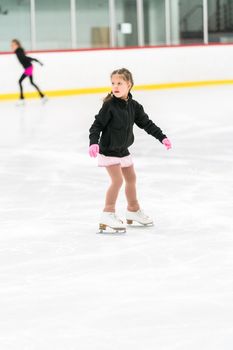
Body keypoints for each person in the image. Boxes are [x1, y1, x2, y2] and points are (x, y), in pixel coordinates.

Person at [89, 68, 171, 232]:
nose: (115, 86)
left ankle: (133, 210)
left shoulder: (134, 106)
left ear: (129, 85)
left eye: (119, 83)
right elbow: (97, 125)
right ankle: (108, 212)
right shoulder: (109, 106)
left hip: (123, 150)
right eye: (113, 83)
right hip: (109, 150)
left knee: (131, 179)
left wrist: (162, 137)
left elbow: (147, 124)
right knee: (117, 180)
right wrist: (93, 142)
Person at [11, 39, 47, 105]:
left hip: (28, 68)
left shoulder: (19, 50)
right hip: (29, 67)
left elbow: (24, 58)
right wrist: (35, 60)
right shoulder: (18, 51)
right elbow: (24, 57)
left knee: (20, 81)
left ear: (17, 45)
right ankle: (43, 96)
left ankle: (22, 99)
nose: (12, 46)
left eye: (13, 45)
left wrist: (35, 60)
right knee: (31, 82)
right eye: (11, 45)